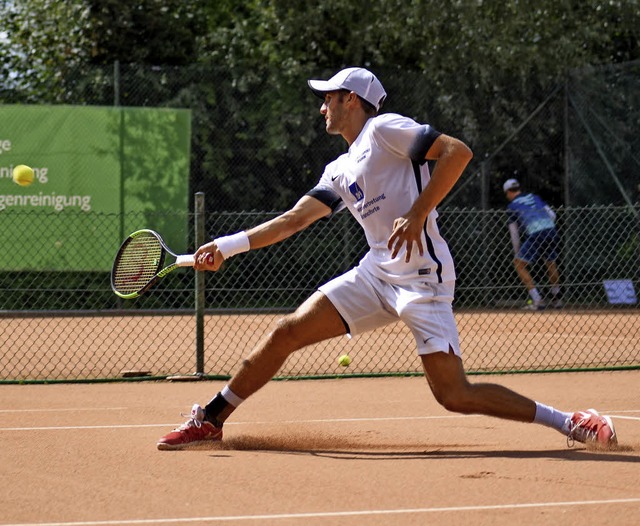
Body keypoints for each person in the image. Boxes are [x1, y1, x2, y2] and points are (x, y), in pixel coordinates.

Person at [157, 67, 616, 450]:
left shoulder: (384, 128)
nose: (322, 107)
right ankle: (211, 419)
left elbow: (457, 152)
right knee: (286, 332)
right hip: (375, 275)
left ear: (352, 100)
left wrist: (418, 213)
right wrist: (229, 245)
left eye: (329, 99)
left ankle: (572, 422)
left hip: (422, 278)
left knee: (454, 395)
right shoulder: (338, 168)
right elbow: (295, 219)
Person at [503, 179, 562, 310]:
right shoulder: (534, 197)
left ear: (508, 192)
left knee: (519, 264)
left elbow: (514, 233)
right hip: (550, 230)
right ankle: (556, 298)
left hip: (535, 233)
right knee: (551, 263)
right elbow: (552, 215)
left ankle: (537, 300)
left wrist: (517, 251)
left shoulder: (512, 206)